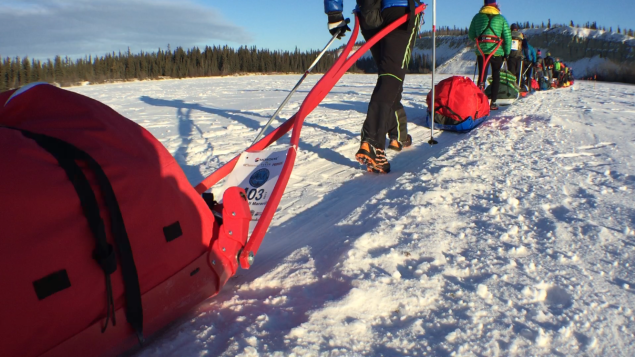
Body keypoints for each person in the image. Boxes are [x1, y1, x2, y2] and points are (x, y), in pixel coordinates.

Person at [325, 0, 420, 173]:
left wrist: (334, 14)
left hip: (368, 12)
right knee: (391, 75)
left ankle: (397, 134)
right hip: (400, 9)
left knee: (389, 77)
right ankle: (372, 142)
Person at [468, 0, 512, 110]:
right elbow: (507, 37)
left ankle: (479, 102)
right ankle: (493, 102)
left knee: (482, 75)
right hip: (497, 52)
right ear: (495, 4)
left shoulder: (477, 17)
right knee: (496, 76)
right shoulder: (501, 19)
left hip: (482, 50)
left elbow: (471, 34)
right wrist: (507, 53)